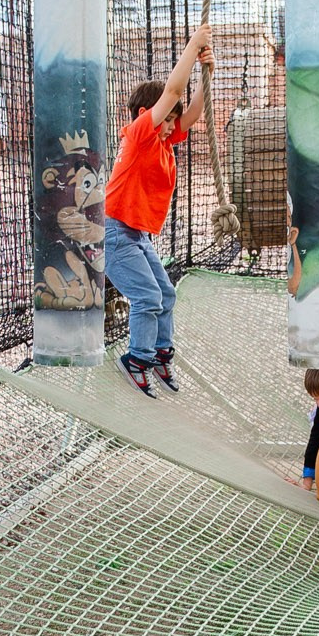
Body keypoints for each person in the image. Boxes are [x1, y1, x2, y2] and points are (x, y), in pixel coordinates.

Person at [106, 26, 212, 397]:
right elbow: (172, 93)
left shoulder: (163, 142)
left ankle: (159, 352)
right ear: (144, 114)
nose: (172, 126)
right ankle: (136, 358)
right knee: (148, 296)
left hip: (137, 235)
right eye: (167, 119)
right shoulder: (140, 135)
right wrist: (192, 45)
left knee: (165, 294)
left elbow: (192, 111)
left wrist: (207, 73)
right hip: (116, 234)